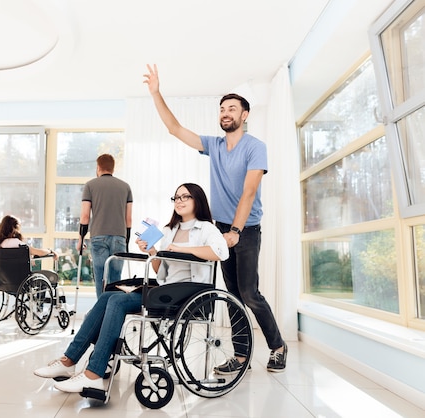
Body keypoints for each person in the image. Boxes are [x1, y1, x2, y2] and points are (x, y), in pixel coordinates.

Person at [143, 64, 288, 373]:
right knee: (232, 295)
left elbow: (249, 192)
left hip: (245, 230)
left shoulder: (255, 147)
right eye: (222, 109)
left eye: (231, 109)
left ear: (244, 115)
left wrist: (235, 230)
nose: (225, 113)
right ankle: (241, 357)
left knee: (249, 293)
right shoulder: (215, 145)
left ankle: (277, 346)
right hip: (219, 230)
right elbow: (175, 129)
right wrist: (156, 93)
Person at [33, 183, 229, 393]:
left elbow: (220, 252)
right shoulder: (169, 230)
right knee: (109, 295)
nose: (179, 201)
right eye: (176, 198)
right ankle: (69, 360)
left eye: (185, 197)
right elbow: (160, 269)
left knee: (117, 301)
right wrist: (153, 251)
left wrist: (181, 248)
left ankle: (93, 374)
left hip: (188, 293)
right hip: (166, 289)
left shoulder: (207, 228)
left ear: (197, 200)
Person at [79, 154, 133, 298]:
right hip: (119, 237)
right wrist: (126, 241)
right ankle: (112, 310)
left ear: (98, 167)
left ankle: (101, 311)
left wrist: (81, 239)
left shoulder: (90, 185)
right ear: (113, 168)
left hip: (98, 237)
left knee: (101, 277)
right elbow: (129, 219)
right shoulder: (125, 187)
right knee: (116, 279)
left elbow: (85, 216)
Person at [0, 214, 59, 283]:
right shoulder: (17, 244)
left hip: (3, 281)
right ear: (15, 228)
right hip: (20, 280)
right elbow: (40, 252)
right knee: (48, 276)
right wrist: (50, 250)